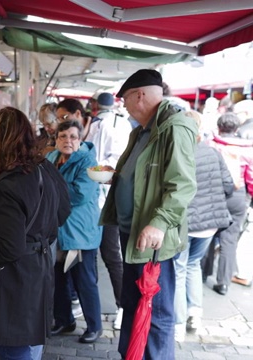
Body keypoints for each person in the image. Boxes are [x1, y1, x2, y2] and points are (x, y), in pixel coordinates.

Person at [0, 107, 71, 360]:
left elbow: (10, 248)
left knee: (15, 349)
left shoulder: (9, 183)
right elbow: (62, 212)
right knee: (30, 343)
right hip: (38, 267)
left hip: (16, 280)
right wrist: (38, 236)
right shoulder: (44, 167)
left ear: (0, 140)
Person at [99, 69, 197, 359]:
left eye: (125, 99)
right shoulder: (142, 130)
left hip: (154, 239)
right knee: (131, 303)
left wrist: (159, 223)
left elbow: (182, 185)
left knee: (156, 312)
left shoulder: (173, 127)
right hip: (132, 234)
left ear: (139, 95)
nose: (125, 106)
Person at [173, 110, 233, 342]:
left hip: (186, 224)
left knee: (179, 269)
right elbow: (229, 185)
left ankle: (178, 324)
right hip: (208, 225)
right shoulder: (213, 152)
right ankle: (195, 313)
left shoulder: (178, 152)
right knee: (193, 265)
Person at [45, 120, 103, 344]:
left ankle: (94, 326)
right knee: (58, 278)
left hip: (80, 233)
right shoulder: (51, 158)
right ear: (56, 138)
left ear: (80, 140)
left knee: (84, 280)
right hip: (57, 230)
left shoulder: (89, 162)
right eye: (63, 136)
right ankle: (64, 320)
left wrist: (52, 187)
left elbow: (80, 194)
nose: (67, 141)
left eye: (72, 137)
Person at [87, 91, 132, 330]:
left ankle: (123, 305)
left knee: (111, 255)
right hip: (97, 199)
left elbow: (107, 162)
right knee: (98, 255)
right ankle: (100, 305)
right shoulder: (113, 123)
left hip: (108, 199)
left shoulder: (113, 124)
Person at [203, 112, 253, 295]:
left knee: (208, 233)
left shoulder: (212, 145)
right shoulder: (248, 149)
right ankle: (223, 282)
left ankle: (203, 272)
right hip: (238, 196)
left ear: (219, 127)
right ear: (237, 129)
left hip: (214, 194)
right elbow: (251, 178)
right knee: (230, 239)